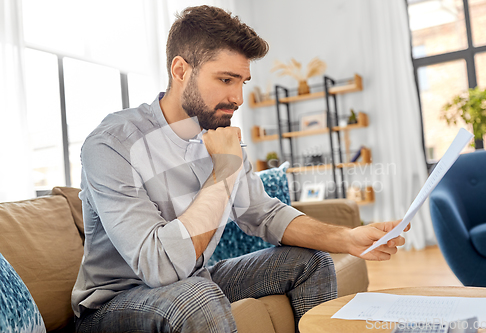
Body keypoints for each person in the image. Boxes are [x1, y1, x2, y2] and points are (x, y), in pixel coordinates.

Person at [72, 5, 409, 333]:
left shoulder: (217, 136)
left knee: (311, 262)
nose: (238, 98)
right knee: (196, 298)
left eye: (242, 82)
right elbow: (158, 265)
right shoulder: (113, 144)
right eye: (225, 79)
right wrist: (225, 167)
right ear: (180, 71)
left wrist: (347, 238)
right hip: (115, 303)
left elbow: (264, 215)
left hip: (195, 280)